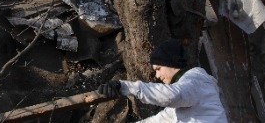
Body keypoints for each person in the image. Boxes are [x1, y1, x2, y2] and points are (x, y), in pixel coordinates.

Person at [97, 38, 227, 122]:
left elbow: (172, 95)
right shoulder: (180, 103)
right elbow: (158, 121)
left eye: (158, 68)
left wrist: (125, 86)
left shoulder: (196, 80)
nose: (157, 76)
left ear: (172, 63)